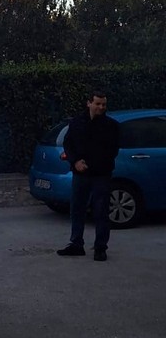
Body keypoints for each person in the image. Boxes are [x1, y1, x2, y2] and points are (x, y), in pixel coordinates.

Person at [56, 91, 120, 262]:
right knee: (77, 209)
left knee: (101, 211)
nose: (101, 107)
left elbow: (112, 150)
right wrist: (75, 161)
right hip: (80, 174)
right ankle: (76, 244)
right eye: (98, 104)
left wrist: (93, 164)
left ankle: (100, 248)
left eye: (104, 104)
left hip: (101, 175)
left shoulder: (111, 126)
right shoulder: (77, 123)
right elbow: (68, 144)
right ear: (89, 103)